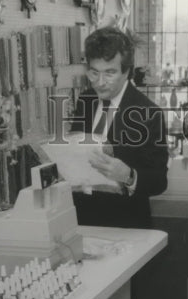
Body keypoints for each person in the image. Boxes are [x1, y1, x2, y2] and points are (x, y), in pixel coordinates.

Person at [68, 27, 168, 229]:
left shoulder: (149, 113)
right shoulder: (86, 100)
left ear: (127, 71)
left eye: (110, 73)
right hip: (81, 219)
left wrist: (129, 175)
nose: (100, 83)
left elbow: (159, 180)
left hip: (127, 222)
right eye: (94, 73)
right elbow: (77, 144)